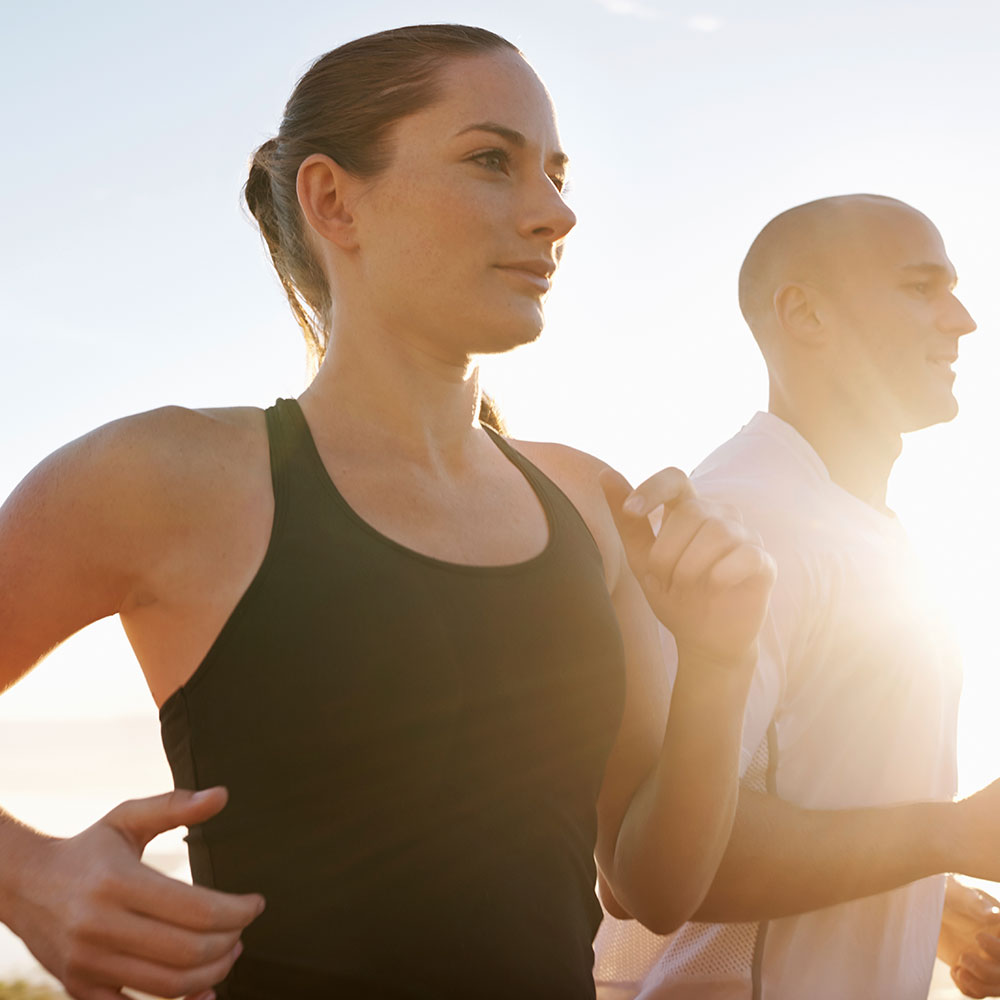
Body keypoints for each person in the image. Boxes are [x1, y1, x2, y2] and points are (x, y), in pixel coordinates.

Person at [0, 24, 775, 1000]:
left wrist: (718, 662)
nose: (554, 214)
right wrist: (27, 875)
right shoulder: (168, 476)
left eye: (556, 172)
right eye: (492, 160)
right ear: (332, 199)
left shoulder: (589, 500)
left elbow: (653, 886)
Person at [594, 193, 1000, 1000]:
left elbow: (816, 793)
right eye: (922, 287)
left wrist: (937, 909)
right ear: (805, 316)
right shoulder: (749, 522)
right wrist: (952, 834)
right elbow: (651, 873)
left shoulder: (857, 525)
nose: (962, 320)